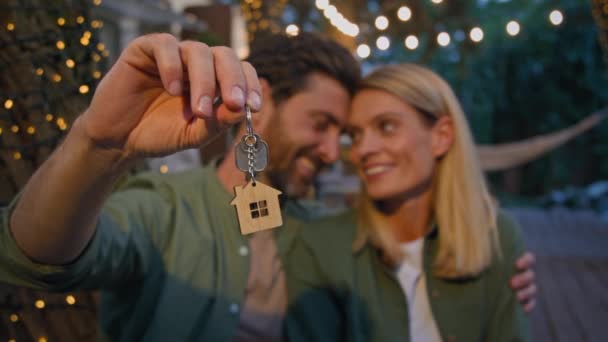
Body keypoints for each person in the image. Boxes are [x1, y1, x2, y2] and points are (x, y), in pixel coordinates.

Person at [0, 33, 534, 341]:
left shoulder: (330, 234)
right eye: (322, 124)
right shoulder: (167, 210)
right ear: (263, 100)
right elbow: (33, 257)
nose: (334, 152)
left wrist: (486, 269)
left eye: (341, 135)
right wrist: (101, 145)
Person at [285, 63, 532, 342]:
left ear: (441, 137)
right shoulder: (320, 248)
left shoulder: (495, 235)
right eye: (355, 135)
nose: (363, 150)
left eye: (386, 127)